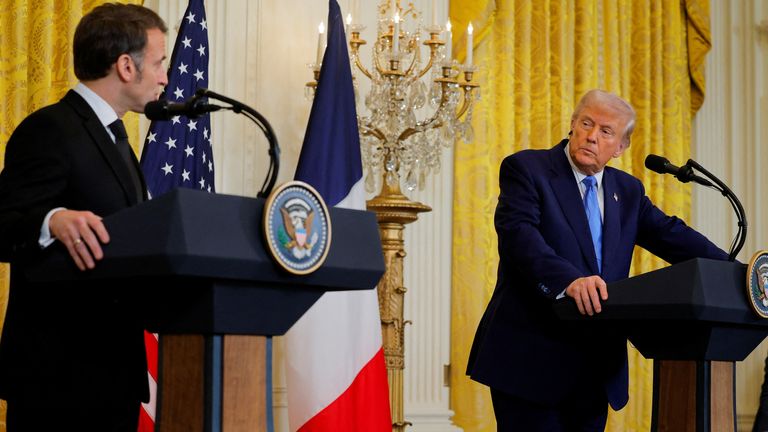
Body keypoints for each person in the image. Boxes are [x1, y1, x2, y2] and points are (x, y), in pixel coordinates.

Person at [466, 89, 729, 431]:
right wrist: (568, 280)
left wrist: (739, 274)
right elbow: (519, 236)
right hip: (530, 360)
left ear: (620, 147)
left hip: (594, 368)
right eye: (586, 123)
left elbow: (672, 236)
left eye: (606, 131)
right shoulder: (528, 169)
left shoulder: (628, 191)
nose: (592, 135)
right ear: (572, 124)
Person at [0, 4, 168, 430]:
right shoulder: (51, 129)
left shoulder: (117, 138)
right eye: (160, 63)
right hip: (58, 380)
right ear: (126, 66)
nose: (166, 77)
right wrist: (51, 219)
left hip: (113, 372)